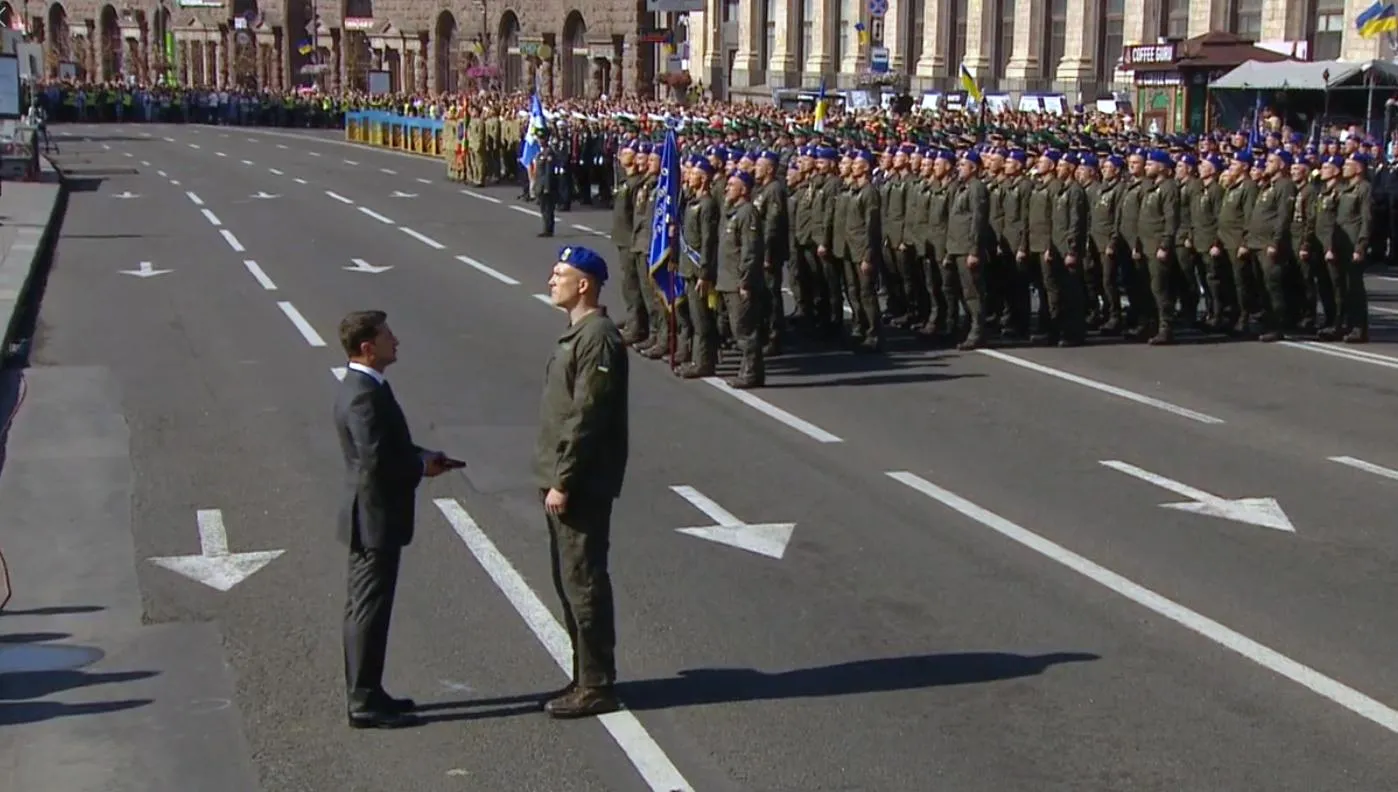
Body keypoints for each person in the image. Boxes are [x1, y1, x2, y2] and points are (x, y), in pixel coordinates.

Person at [334, 310, 462, 729]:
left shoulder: (368, 387)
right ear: (368, 348)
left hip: (375, 515)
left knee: (370, 607)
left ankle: (371, 690)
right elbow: (375, 460)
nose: (397, 341)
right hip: (374, 518)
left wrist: (423, 456)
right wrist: (418, 468)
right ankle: (363, 700)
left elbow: (390, 446)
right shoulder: (362, 394)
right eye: (389, 336)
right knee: (367, 609)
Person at [532, 246, 630, 719]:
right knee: (568, 580)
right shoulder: (578, 334)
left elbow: (587, 416)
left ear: (584, 284)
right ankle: (584, 674)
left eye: (560, 274)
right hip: (562, 476)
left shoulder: (599, 338)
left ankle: (598, 684)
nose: (552, 280)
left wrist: (564, 480)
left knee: (584, 581)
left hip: (580, 483)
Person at [533, 130, 558, 237]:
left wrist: (547, 187)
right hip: (540, 184)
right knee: (543, 208)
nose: (539, 141)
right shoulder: (541, 152)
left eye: (541, 139)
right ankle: (546, 227)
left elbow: (548, 172)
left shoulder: (549, 153)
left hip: (546, 185)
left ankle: (548, 229)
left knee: (548, 208)